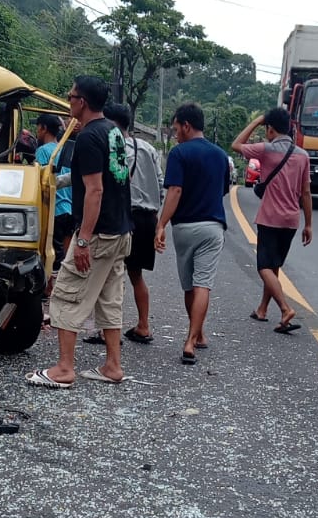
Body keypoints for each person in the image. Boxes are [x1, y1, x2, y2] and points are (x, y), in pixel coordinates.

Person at [27, 74, 132, 388]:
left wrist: (83, 239)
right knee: (109, 298)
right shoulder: (112, 130)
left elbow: (95, 190)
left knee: (67, 294)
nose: (68, 100)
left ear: (82, 102)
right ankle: (113, 366)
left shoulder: (88, 137)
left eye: (71, 96)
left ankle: (64, 369)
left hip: (97, 233)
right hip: (121, 230)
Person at [154, 103, 229, 363]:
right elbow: (223, 191)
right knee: (203, 284)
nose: (175, 135)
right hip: (212, 227)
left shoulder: (179, 153)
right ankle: (194, 338)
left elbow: (175, 191)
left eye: (176, 129)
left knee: (189, 286)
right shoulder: (221, 155)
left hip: (185, 228)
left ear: (186, 125)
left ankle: (195, 335)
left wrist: (162, 224)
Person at [232, 106, 312, 332]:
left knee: (264, 267)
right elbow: (306, 192)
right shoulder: (303, 155)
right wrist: (309, 224)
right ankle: (263, 309)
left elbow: (236, 144)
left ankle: (286, 309)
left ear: (270, 129)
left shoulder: (266, 150)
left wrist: (257, 121)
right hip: (291, 220)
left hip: (270, 218)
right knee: (274, 265)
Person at [104, 101, 162, 345]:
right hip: (148, 217)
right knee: (136, 275)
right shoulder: (148, 148)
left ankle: (106, 331)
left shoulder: (114, 147)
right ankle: (143, 325)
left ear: (111, 124)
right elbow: (159, 183)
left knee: (109, 274)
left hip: (124, 217)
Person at [35, 112, 74, 274]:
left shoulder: (42, 151)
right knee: (66, 256)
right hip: (69, 208)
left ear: (44, 129)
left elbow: (43, 181)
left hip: (53, 210)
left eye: (37, 128)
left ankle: (51, 292)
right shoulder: (66, 149)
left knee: (51, 258)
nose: (36, 131)